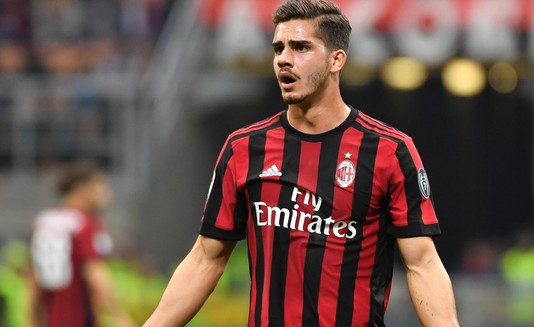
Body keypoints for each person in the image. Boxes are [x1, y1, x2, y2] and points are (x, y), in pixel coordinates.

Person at [146, 0, 459, 326]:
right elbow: (205, 259)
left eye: (300, 47)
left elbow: (422, 263)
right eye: (278, 48)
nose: (284, 59)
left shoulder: (389, 151)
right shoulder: (244, 148)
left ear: (336, 59)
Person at [29, 161, 134, 327]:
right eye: (101, 186)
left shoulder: (44, 223)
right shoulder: (84, 224)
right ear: (81, 188)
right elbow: (95, 272)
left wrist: (32, 320)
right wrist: (119, 317)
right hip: (80, 319)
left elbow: (35, 277)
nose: (107, 194)